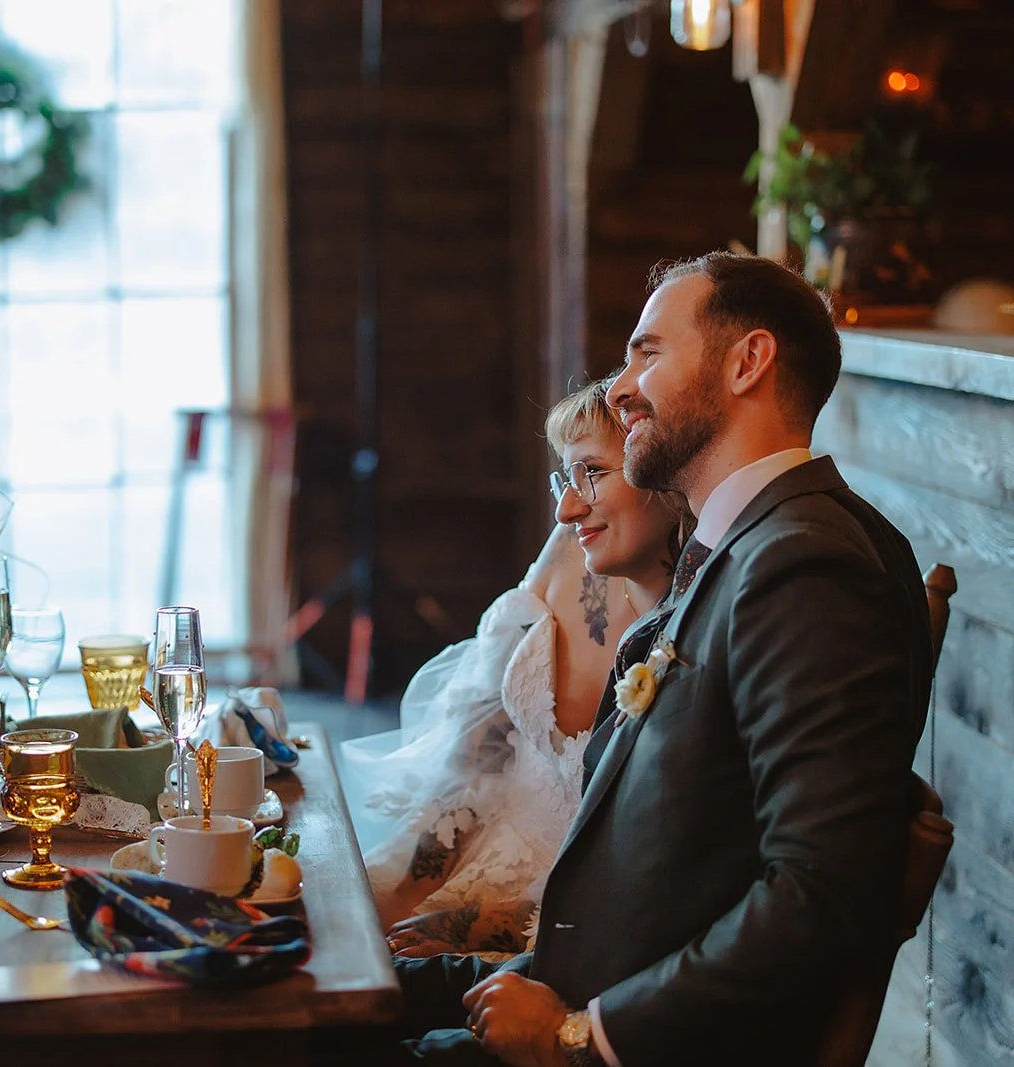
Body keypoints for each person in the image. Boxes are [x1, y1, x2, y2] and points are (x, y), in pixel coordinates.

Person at [380, 252, 934, 1067]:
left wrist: (580, 1036)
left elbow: (821, 896)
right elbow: (674, 887)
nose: (618, 387)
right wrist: (405, 982)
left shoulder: (808, 565)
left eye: (648, 353)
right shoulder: (745, 548)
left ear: (748, 361)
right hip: (589, 989)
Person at [341, 379, 689, 957]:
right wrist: (396, 896)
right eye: (566, 477)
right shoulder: (571, 550)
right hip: (474, 847)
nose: (566, 507)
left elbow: (649, 881)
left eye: (593, 474)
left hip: (569, 929)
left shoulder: (700, 627)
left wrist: (464, 929)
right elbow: (475, 765)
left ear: (663, 469)